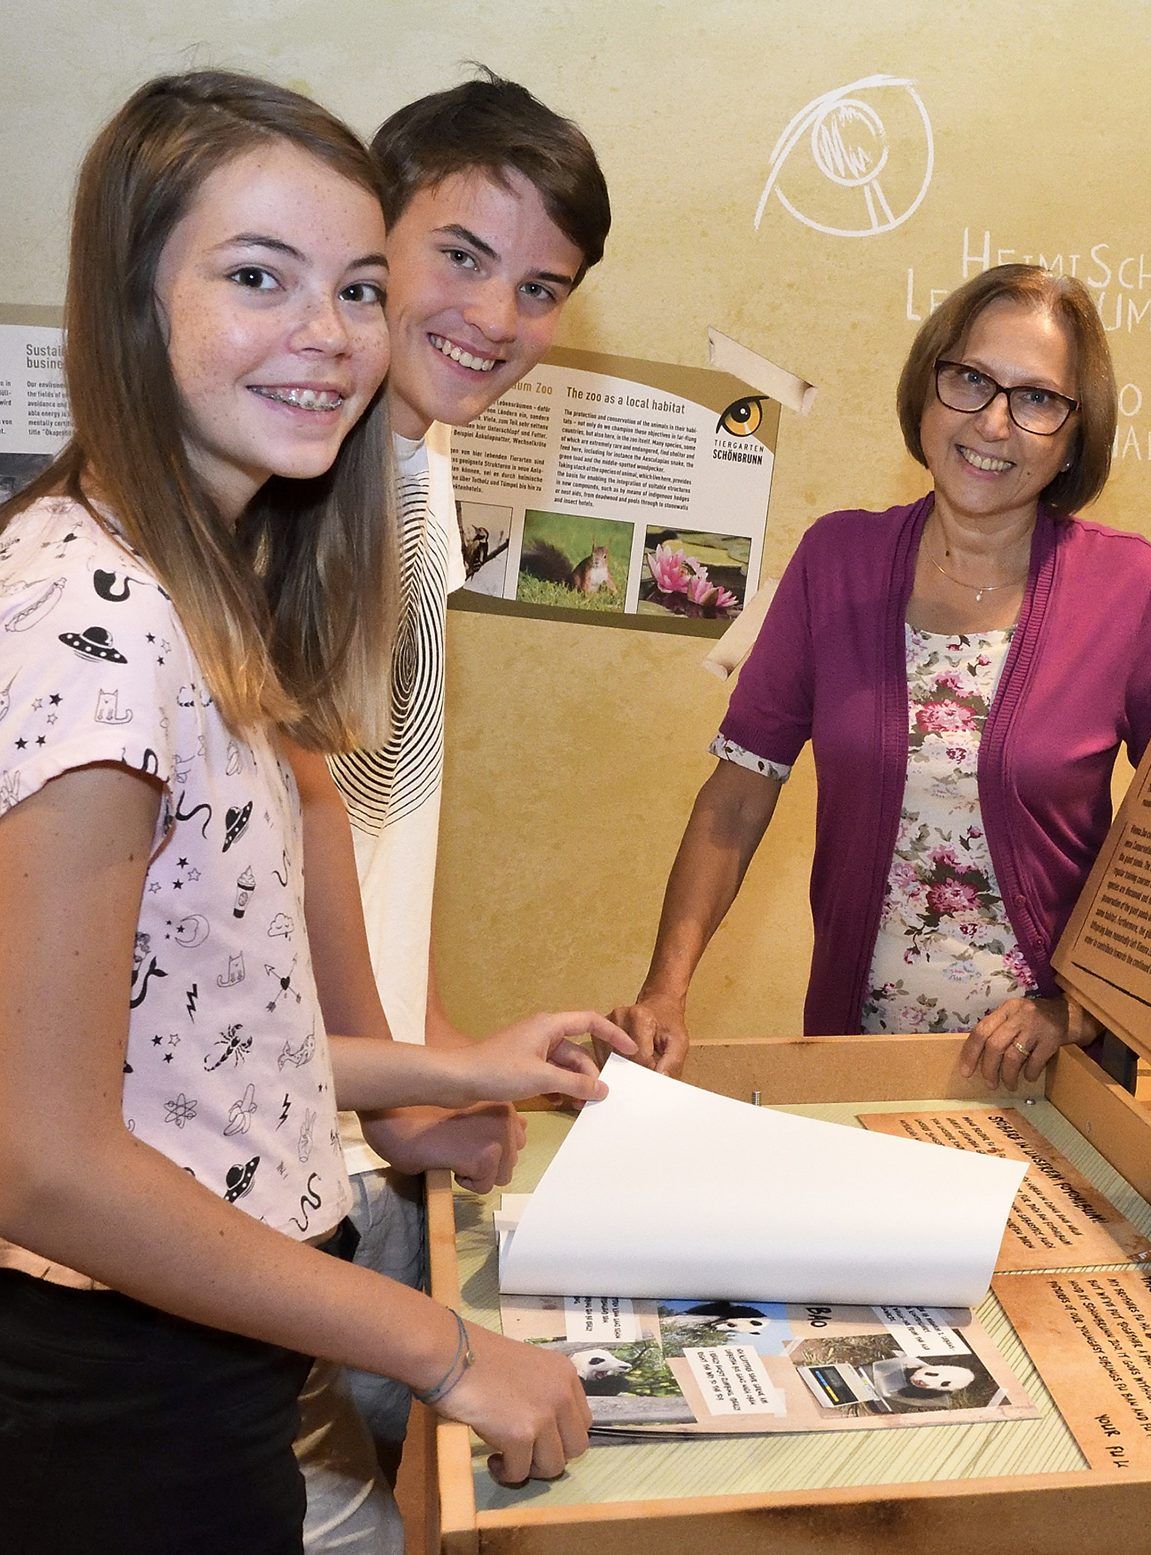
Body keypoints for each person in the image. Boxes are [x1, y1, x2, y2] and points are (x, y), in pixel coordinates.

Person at [0, 71, 630, 1555]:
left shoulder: (184, 587)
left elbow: (194, 1033)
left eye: (353, 288)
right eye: (255, 278)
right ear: (128, 298)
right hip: (112, 1386)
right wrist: (447, 1347)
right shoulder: (94, 615)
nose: (329, 334)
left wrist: (445, 1059)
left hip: (204, 1352)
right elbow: (46, 1156)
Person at [279, 70, 613, 1553]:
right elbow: (300, 803)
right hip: (303, 1137)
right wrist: (404, 1089)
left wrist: (426, 1051)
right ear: (374, 230)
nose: (495, 314)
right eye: (461, 256)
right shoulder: (326, 466)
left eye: (538, 284)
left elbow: (362, 793)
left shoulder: (414, 456)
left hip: (339, 1098)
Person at [613, 264, 1151, 1087]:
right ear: (927, 391)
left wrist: (1079, 1007)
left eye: (1035, 399)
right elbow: (738, 793)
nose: (992, 422)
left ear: (1073, 434)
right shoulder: (835, 560)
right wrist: (664, 991)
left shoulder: (1131, 590)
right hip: (863, 1059)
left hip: (1054, 1075)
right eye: (969, 379)